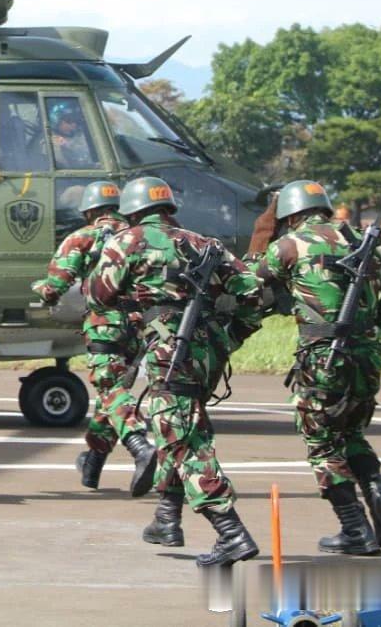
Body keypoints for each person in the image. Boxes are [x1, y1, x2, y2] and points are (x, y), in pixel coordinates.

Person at [89, 176, 265, 567]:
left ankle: (231, 533)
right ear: (170, 208)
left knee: (182, 440)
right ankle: (167, 518)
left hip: (169, 349)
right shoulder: (204, 243)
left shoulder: (127, 241)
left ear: (132, 211)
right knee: (182, 428)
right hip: (205, 351)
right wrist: (232, 334)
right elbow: (253, 290)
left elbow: (97, 294)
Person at [248, 180, 381, 554]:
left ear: (289, 214)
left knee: (321, 442)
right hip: (367, 355)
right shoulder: (361, 240)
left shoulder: (289, 245)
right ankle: (379, 497)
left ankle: (354, 529)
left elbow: (248, 281)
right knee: (351, 432)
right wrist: (379, 326)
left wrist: (262, 234)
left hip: (323, 355)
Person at [33, 180, 157, 495]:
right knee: (111, 396)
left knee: (111, 390)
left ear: (89, 211)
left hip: (105, 325)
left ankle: (140, 446)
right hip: (141, 327)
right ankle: (93, 464)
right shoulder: (140, 237)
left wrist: (46, 295)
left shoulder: (82, 237)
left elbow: (57, 282)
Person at [48, 100, 95, 168]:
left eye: (76, 120)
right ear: (57, 120)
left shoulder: (83, 134)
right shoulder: (50, 140)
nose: (74, 124)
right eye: (69, 120)